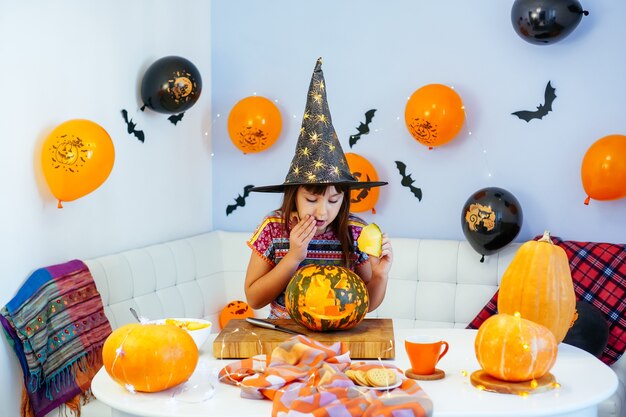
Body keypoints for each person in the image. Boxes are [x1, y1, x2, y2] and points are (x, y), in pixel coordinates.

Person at [244, 58, 393, 319]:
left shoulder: (354, 231)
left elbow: (365, 304)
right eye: (312, 199)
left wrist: (380, 275)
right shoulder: (273, 228)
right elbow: (254, 299)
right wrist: (293, 257)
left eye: (334, 200)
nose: (323, 212)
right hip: (284, 337)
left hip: (338, 338)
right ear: (294, 195)